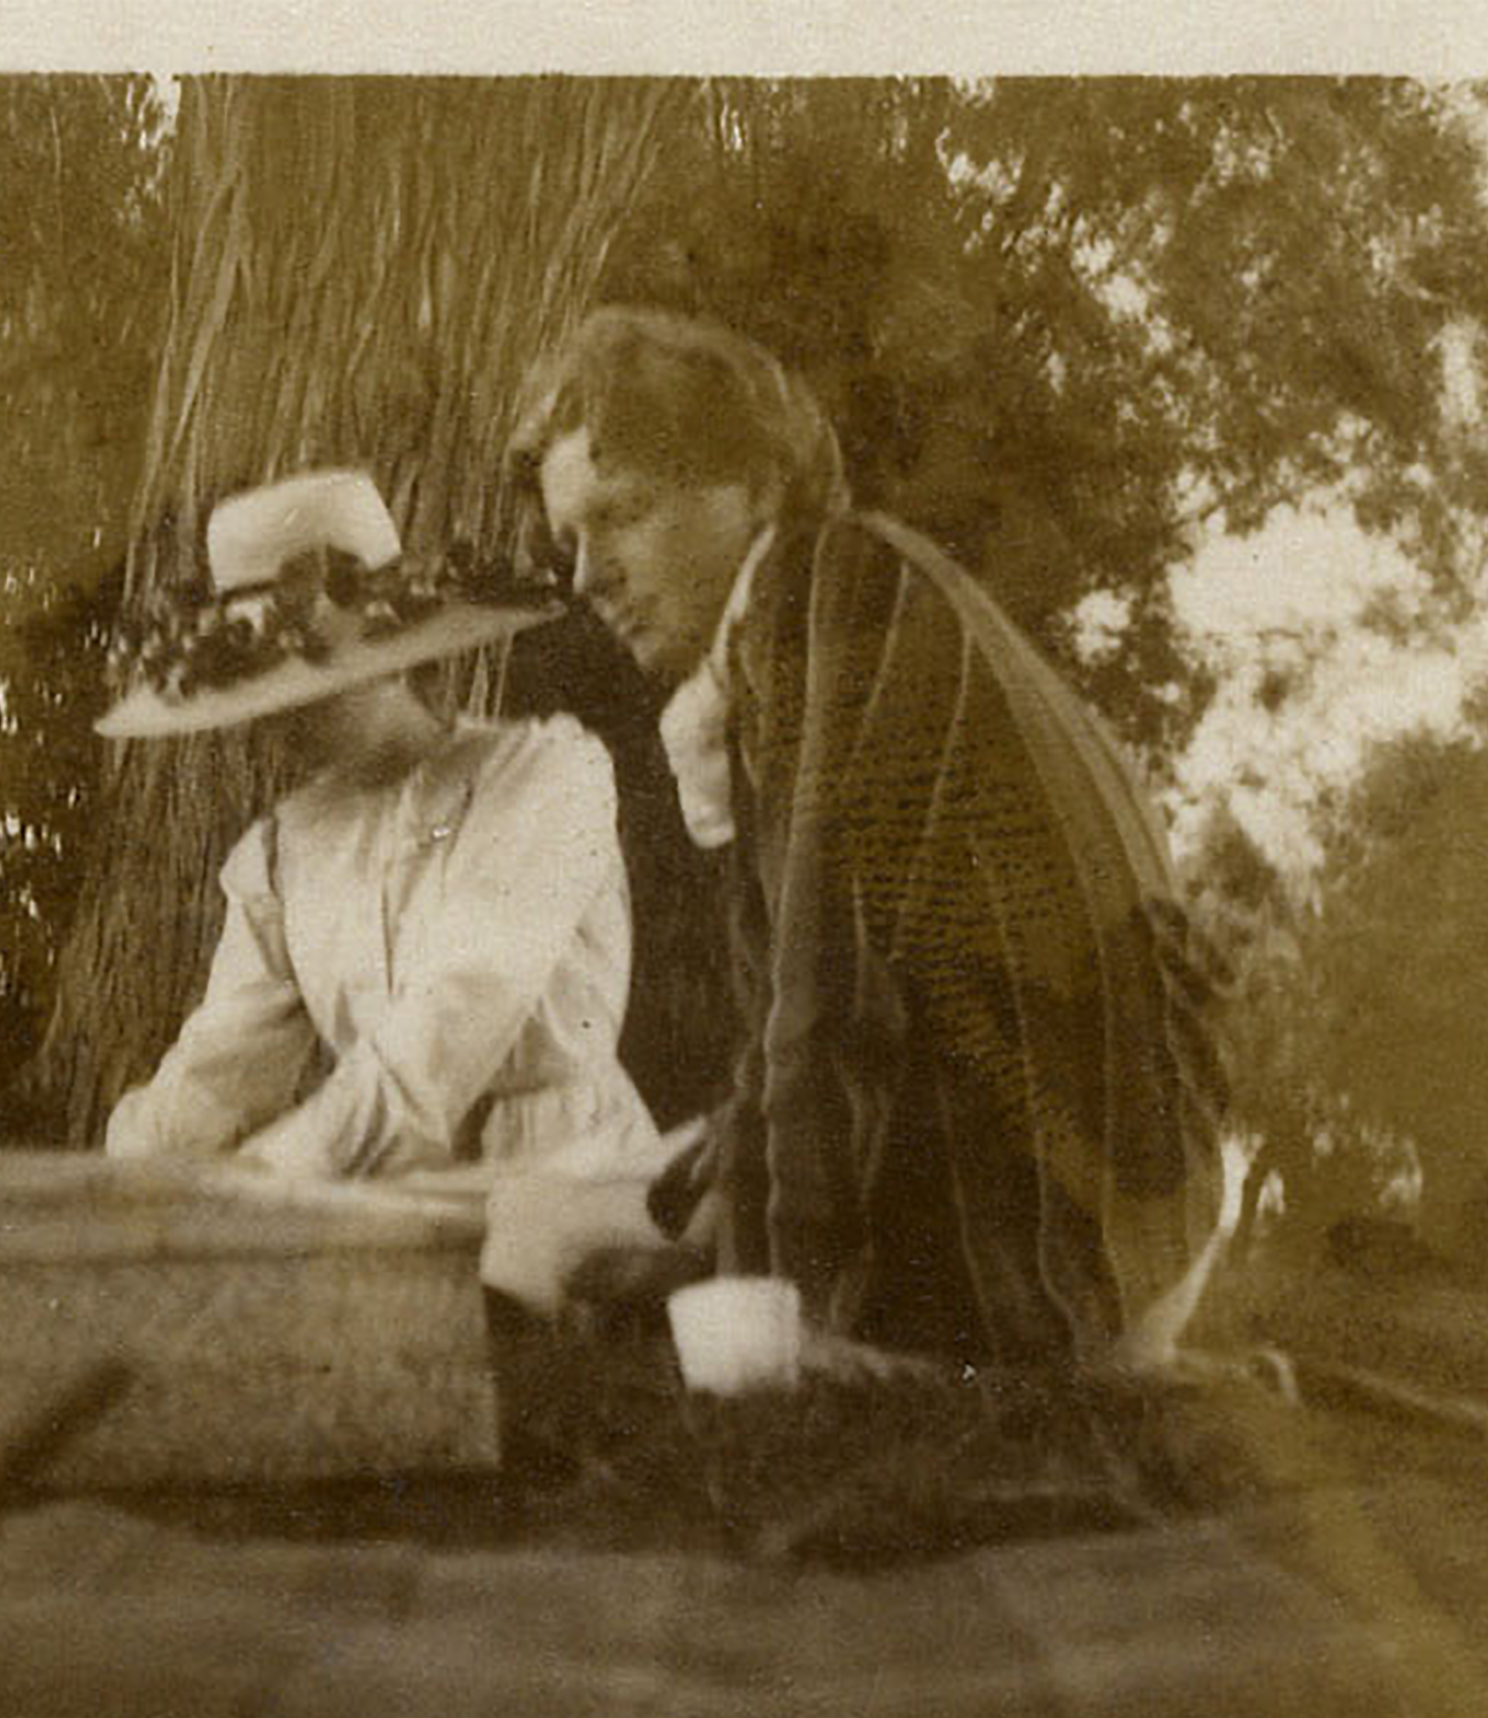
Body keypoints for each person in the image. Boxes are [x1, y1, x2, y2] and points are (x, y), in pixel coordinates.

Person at [507, 306, 1223, 1368]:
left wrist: (754, 1298)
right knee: (574, 1206)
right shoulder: (824, 609)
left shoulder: (827, 591)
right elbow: (802, 1026)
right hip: (1111, 1230)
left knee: (528, 1239)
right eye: (570, 538)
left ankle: (848, 1350)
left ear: (752, 483)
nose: (583, 576)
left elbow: (824, 1002)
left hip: (1044, 1259)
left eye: (620, 514)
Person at [98, 468, 661, 1188]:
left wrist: (270, 1175)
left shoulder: (543, 776)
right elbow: (220, 1072)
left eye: (309, 689)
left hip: (572, 1181)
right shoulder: (282, 851)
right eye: (258, 696)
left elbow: (454, 1015)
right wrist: (126, 1179)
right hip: (396, 1198)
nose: (277, 721)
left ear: (396, 663)